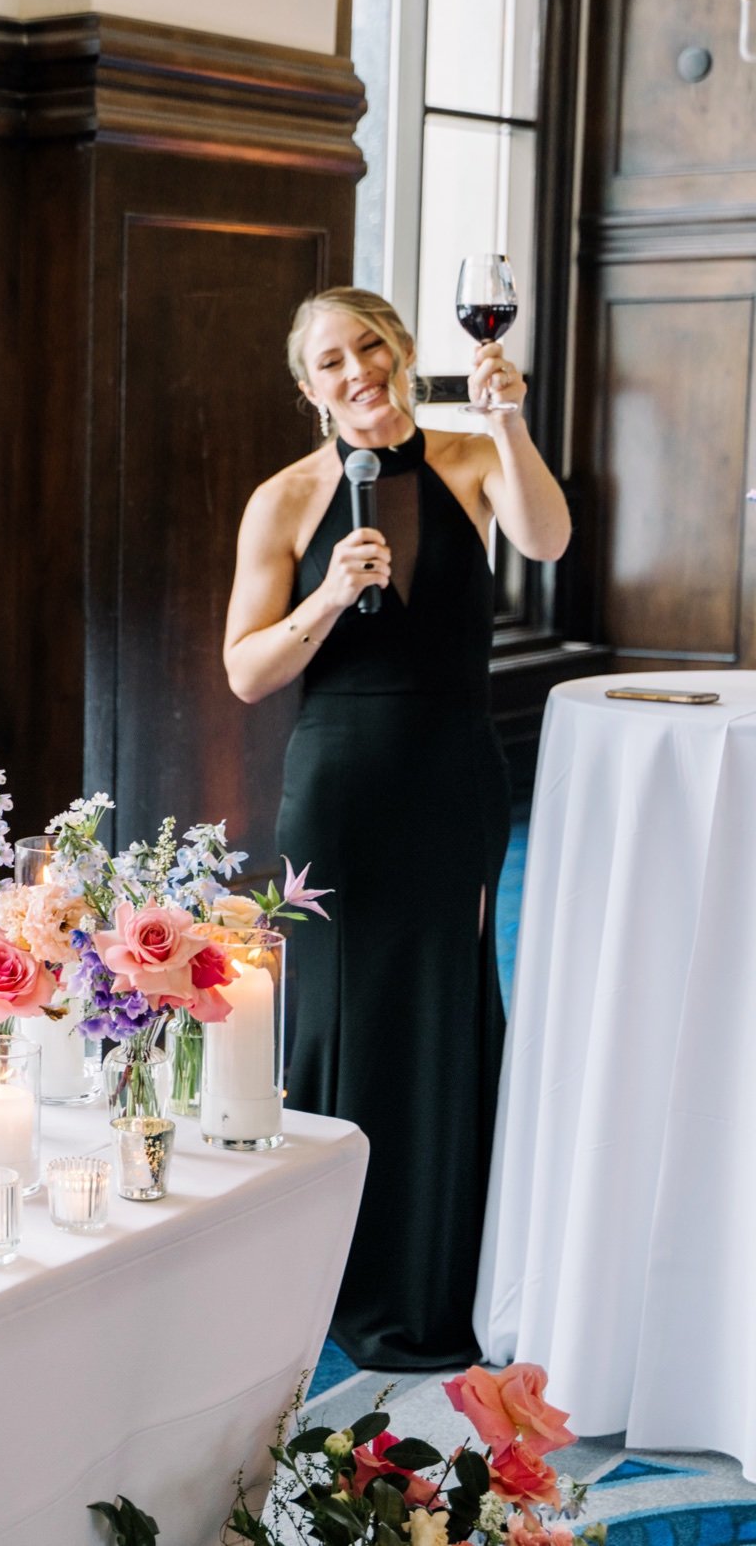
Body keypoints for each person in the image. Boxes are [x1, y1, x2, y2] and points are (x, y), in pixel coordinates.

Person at [222, 288, 570, 1369]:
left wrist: (507, 418)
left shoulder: (470, 458)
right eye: (331, 362)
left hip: (452, 775)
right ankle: (327, 1272)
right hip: (339, 783)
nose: (357, 371)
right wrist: (325, 598)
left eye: (370, 345)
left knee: (439, 1015)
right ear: (307, 388)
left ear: (405, 349)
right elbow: (244, 670)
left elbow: (546, 537)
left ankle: (436, 1278)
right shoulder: (282, 501)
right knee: (336, 1017)